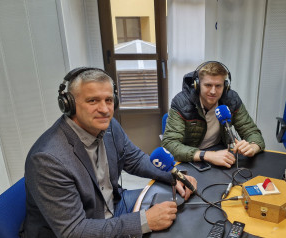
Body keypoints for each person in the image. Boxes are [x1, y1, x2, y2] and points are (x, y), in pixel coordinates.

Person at [21, 67, 197, 238]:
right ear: (69, 105)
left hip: (114, 205)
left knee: (179, 206)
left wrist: (174, 176)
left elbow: (134, 159)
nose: (105, 110)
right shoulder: (47, 160)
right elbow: (73, 231)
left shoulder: (109, 125)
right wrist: (144, 221)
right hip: (85, 226)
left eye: (109, 100)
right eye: (93, 101)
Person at [161, 61, 265, 168]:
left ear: (225, 86)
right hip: (190, 157)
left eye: (218, 86)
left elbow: (252, 132)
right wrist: (208, 155)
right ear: (197, 85)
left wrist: (252, 147)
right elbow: (170, 144)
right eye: (208, 85)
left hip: (220, 151)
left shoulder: (231, 100)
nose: (213, 91)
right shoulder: (181, 102)